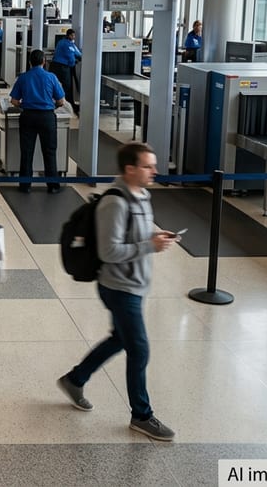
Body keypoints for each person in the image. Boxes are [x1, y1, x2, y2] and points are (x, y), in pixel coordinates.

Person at [56, 142, 179, 442]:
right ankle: (142, 415)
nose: (155, 171)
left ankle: (75, 379)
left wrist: (154, 234)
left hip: (134, 284)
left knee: (119, 340)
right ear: (130, 169)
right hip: (118, 287)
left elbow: (138, 229)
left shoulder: (141, 195)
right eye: (148, 166)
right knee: (139, 349)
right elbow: (109, 251)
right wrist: (149, 246)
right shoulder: (115, 203)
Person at [10, 50, 68, 193]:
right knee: (49, 152)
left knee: (26, 152)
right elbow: (61, 101)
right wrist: (52, 106)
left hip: (28, 117)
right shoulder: (51, 77)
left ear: (30, 62)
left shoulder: (23, 78)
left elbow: (14, 101)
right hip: (47, 117)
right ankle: (53, 186)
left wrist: (24, 105)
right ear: (44, 62)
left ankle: (25, 185)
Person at [50, 28, 82, 108]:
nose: (74, 37)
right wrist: (74, 62)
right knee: (67, 86)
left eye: (74, 35)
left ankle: (57, 102)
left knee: (54, 84)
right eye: (72, 35)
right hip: (61, 67)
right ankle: (66, 105)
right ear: (68, 35)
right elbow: (71, 57)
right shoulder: (67, 44)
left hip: (55, 66)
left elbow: (77, 53)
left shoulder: (63, 42)